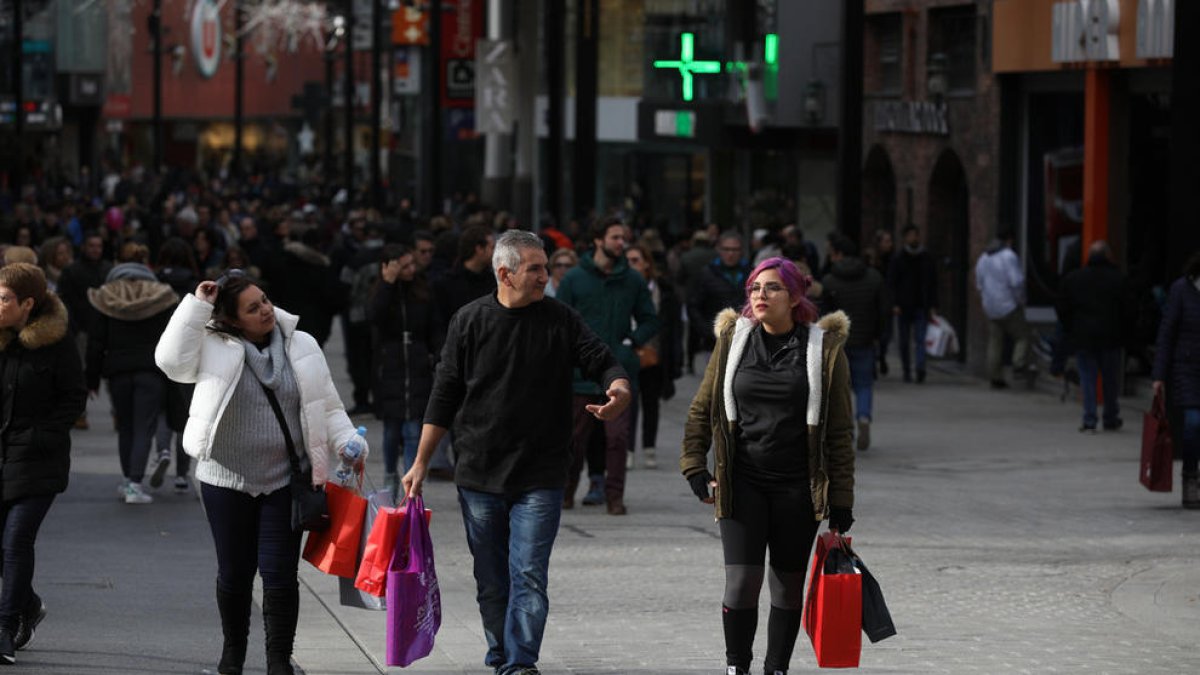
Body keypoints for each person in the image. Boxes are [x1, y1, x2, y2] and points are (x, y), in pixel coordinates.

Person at [402, 230, 630, 675]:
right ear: (505, 273)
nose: (546, 276)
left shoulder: (560, 319)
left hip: (542, 474)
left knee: (528, 574)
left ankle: (520, 662)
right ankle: (501, 652)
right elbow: (444, 395)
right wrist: (421, 462)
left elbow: (599, 357)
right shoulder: (469, 321)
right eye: (536, 269)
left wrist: (618, 386)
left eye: (545, 267)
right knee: (491, 579)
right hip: (479, 474)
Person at [154, 270, 367, 675]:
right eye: (253, 308)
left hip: (284, 481)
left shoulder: (301, 344)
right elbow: (169, 361)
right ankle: (233, 651)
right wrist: (198, 305)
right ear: (233, 320)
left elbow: (328, 404)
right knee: (234, 574)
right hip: (225, 479)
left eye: (265, 300)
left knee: (280, 575)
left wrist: (347, 443)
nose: (266, 310)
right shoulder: (212, 345)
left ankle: (278, 661)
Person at [680, 256, 854, 675]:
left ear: (794, 296)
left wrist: (843, 499)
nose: (761, 296)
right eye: (755, 288)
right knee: (741, 584)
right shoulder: (733, 341)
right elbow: (702, 409)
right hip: (742, 483)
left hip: (798, 486)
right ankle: (737, 667)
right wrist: (694, 466)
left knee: (787, 587)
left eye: (772, 288)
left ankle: (776, 669)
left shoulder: (822, 350)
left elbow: (839, 433)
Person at [0, 263, 87, 664]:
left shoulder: (57, 343)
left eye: (3, 299)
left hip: (38, 461)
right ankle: (29, 605)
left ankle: (4, 628)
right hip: (2, 456)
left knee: (17, 541)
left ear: (27, 304)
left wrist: (43, 435)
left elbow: (73, 398)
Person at [557, 217, 659, 515]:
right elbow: (559, 321)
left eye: (623, 238)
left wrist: (631, 340)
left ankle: (615, 497)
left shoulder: (633, 279)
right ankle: (566, 492)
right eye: (615, 237)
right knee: (574, 439)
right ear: (598, 240)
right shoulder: (575, 278)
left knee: (617, 438)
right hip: (579, 374)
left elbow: (650, 318)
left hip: (619, 373)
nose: (621, 243)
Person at [86, 243, 181, 503]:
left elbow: (96, 341)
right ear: (146, 261)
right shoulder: (162, 295)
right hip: (151, 370)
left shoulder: (106, 295)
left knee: (125, 427)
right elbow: (173, 337)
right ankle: (135, 484)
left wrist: (91, 378)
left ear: (117, 260)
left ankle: (129, 479)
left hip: (117, 370)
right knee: (144, 427)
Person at [369, 244, 439, 498]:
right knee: (392, 428)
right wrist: (387, 284)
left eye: (412, 264)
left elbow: (434, 325)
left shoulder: (423, 290)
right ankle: (389, 474)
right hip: (391, 363)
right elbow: (374, 317)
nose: (410, 270)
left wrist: (436, 355)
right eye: (404, 265)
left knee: (412, 428)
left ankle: (411, 480)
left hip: (418, 361)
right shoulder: (381, 291)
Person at [822, 234, 889, 451]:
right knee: (864, 384)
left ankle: (847, 425)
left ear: (839, 254)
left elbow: (824, 313)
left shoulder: (830, 280)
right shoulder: (873, 277)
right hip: (865, 338)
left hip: (838, 341)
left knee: (840, 387)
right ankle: (864, 417)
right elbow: (883, 310)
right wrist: (879, 334)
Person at [1057, 240, 1131, 433]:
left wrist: (1071, 328)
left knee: (1087, 379)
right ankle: (1110, 416)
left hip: (1084, 337)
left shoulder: (1074, 279)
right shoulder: (1118, 279)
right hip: (1110, 337)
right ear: (1108, 256)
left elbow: (1063, 308)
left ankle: (1089, 419)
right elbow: (1129, 309)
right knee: (1110, 380)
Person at [625, 243, 682, 469]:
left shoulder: (664, 292)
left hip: (655, 354)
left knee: (651, 403)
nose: (631, 265)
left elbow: (675, 328)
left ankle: (649, 448)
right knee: (628, 404)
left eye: (636, 260)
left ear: (647, 264)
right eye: (627, 261)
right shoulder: (621, 289)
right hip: (627, 353)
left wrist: (676, 362)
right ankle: (628, 449)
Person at [1153, 251, 1200, 508]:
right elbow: (1167, 332)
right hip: (1188, 368)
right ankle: (1190, 477)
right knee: (1193, 423)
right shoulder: (1182, 289)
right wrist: (1159, 375)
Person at [975, 228, 1034, 389]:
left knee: (995, 341)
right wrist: (1020, 299)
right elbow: (1017, 282)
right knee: (1023, 335)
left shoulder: (984, 257)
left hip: (991, 306)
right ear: (1009, 240)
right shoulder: (1008, 256)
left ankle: (995, 376)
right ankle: (1018, 363)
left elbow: (979, 283)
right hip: (1008, 305)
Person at [888, 225, 938, 383]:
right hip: (903, 306)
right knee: (904, 341)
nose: (913, 239)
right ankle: (907, 369)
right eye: (910, 236)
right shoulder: (898, 258)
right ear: (905, 238)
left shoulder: (927, 258)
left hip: (921, 305)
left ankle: (920, 368)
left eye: (915, 235)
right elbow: (891, 283)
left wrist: (933, 305)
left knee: (920, 339)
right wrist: (894, 303)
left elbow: (933, 283)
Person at [688, 231, 750, 358]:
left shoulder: (750, 272)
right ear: (719, 250)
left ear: (741, 251)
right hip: (714, 342)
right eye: (726, 249)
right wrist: (707, 331)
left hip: (745, 339)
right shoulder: (706, 273)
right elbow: (693, 306)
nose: (731, 254)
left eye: (735, 249)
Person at [872, 229, 895, 375]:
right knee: (875, 333)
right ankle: (874, 360)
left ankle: (881, 355)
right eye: (886, 241)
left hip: (887, 301)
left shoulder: (894, 259)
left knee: (886, 334)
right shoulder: (872, 260)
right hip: (873, 302)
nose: (890, 244)